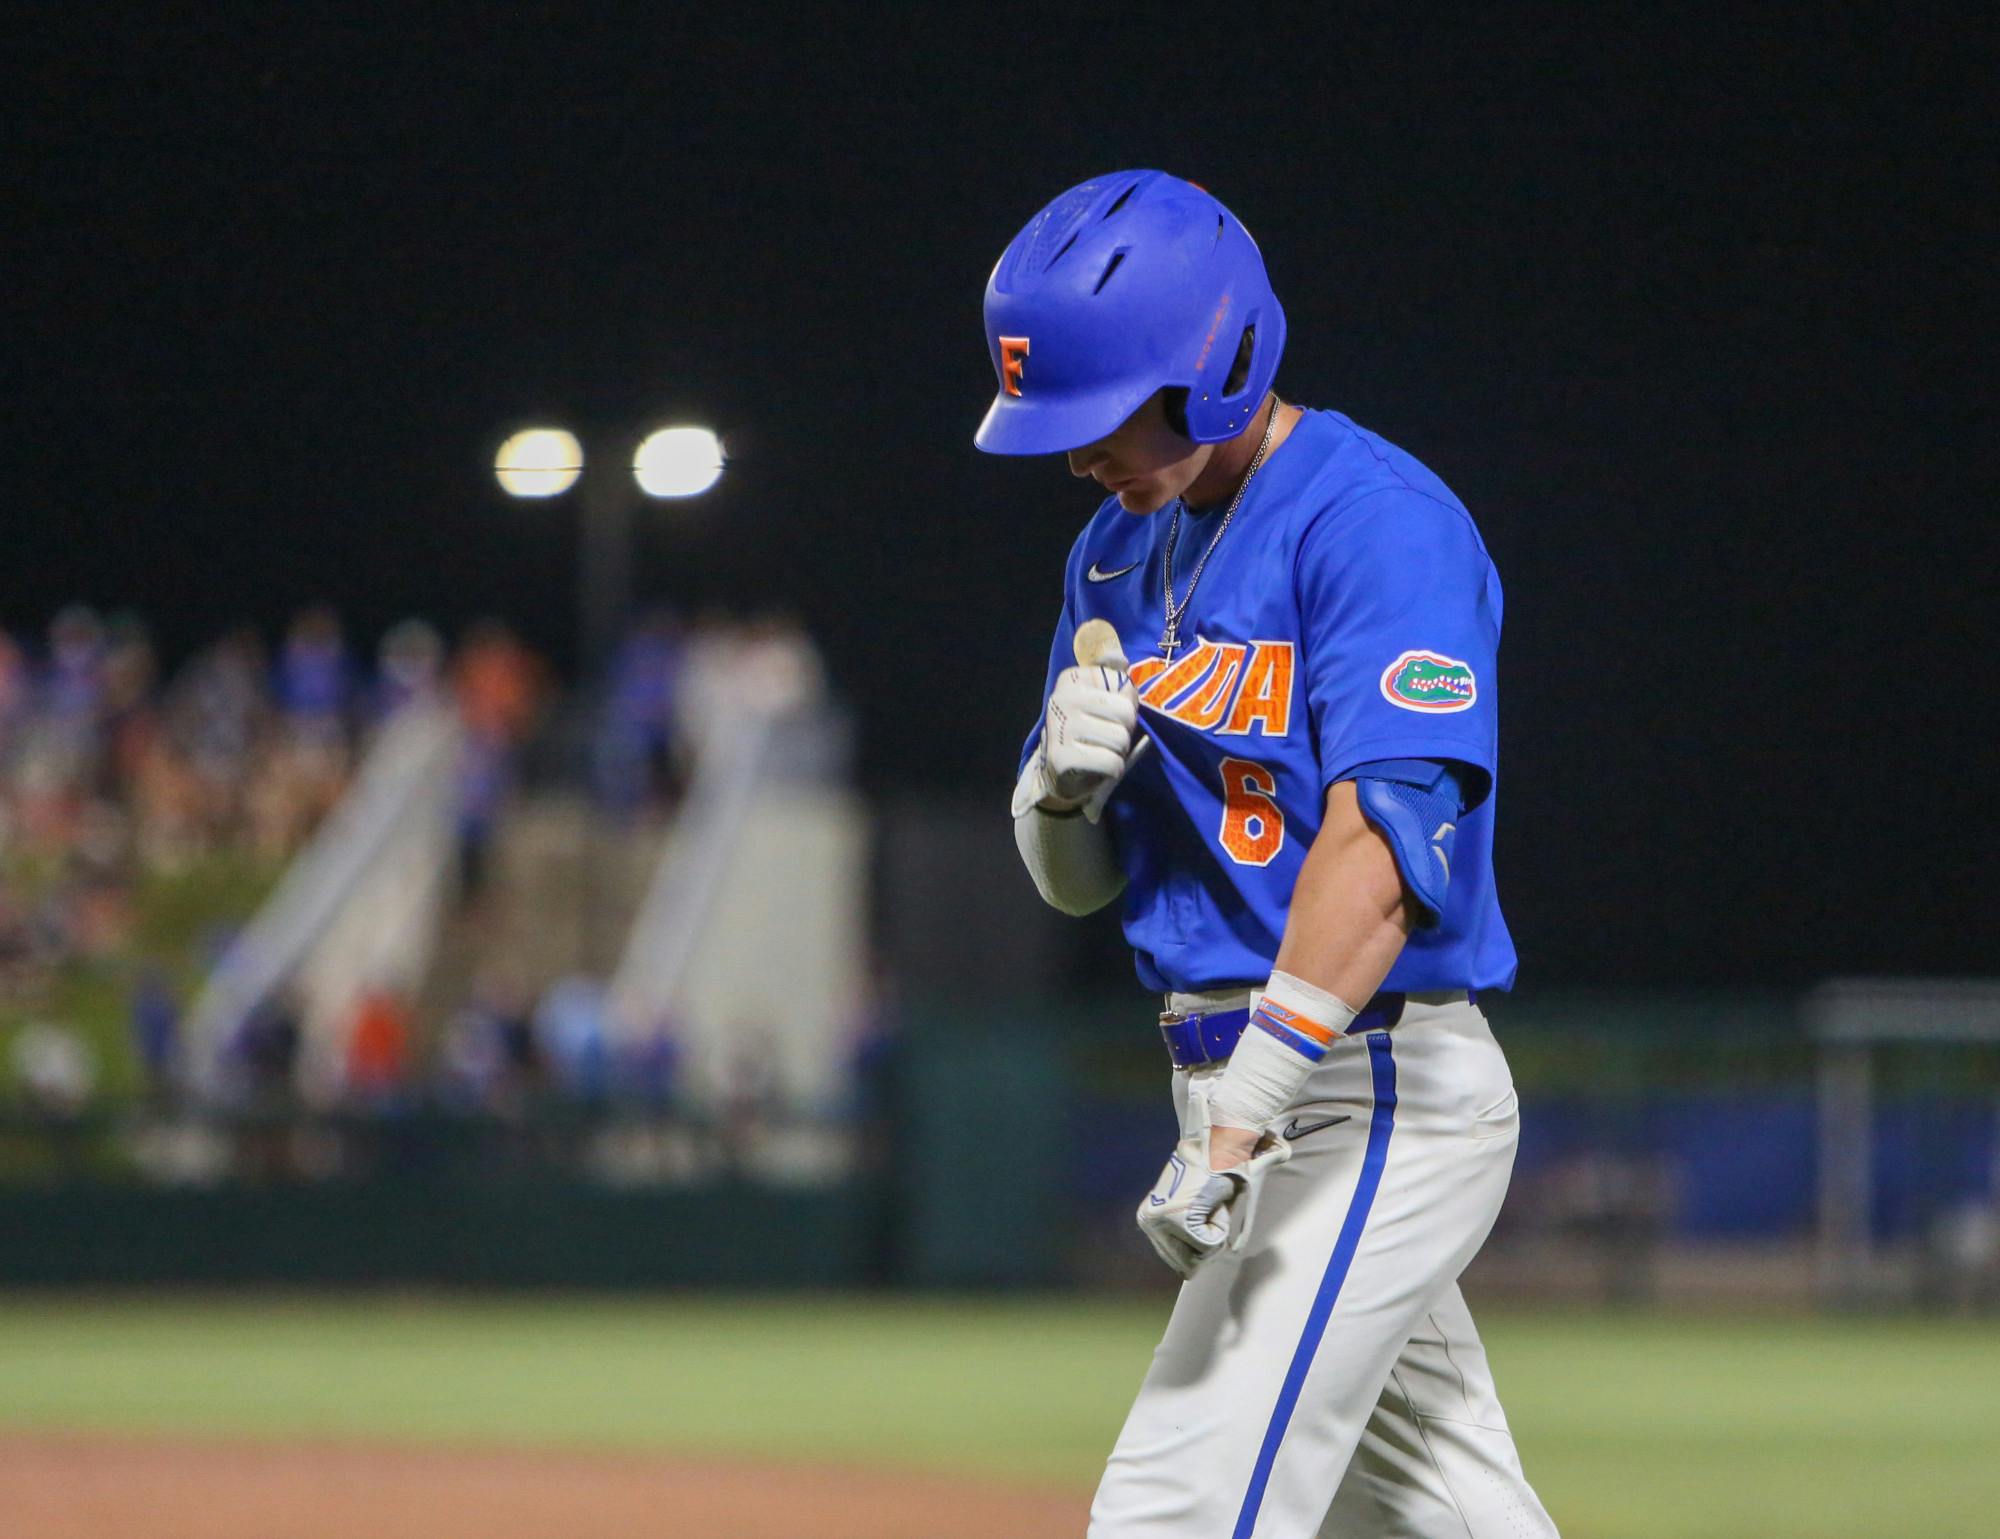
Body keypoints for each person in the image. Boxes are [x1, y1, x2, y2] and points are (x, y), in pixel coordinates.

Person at [980, 171, 1558, 1538]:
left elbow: (1385, 841)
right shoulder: (1112, 557)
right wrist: (1060, 799)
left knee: (1175, 1509)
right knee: (1446, 1518)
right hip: (1253, 1080)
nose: (1074, 457)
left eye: (1100, 412)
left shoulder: (1377, 520)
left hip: (1364, 1087)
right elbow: (1088, 882)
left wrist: (1248, 1107)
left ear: (1217, 368)